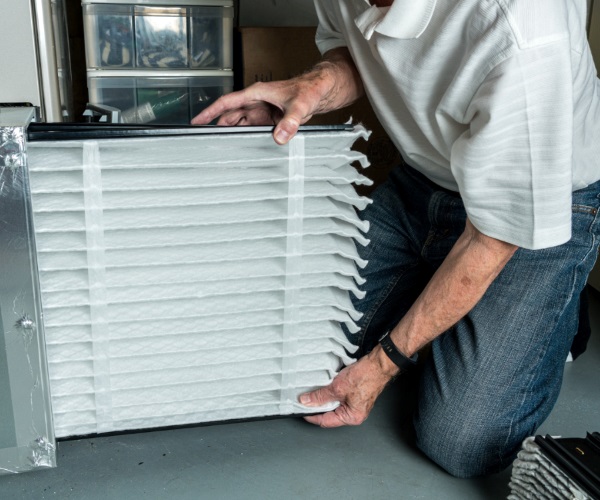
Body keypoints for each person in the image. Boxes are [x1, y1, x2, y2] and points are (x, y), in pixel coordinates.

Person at [192, 0, 600, 478]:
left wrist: (384, 363)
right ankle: (453, 294)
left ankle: (556, 311)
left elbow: (492, 238)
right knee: (299, 356)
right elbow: (359, 49)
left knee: (461, 442)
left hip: (538, 202)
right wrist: (314, 87)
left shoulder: (522, 27)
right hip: (424, 181)